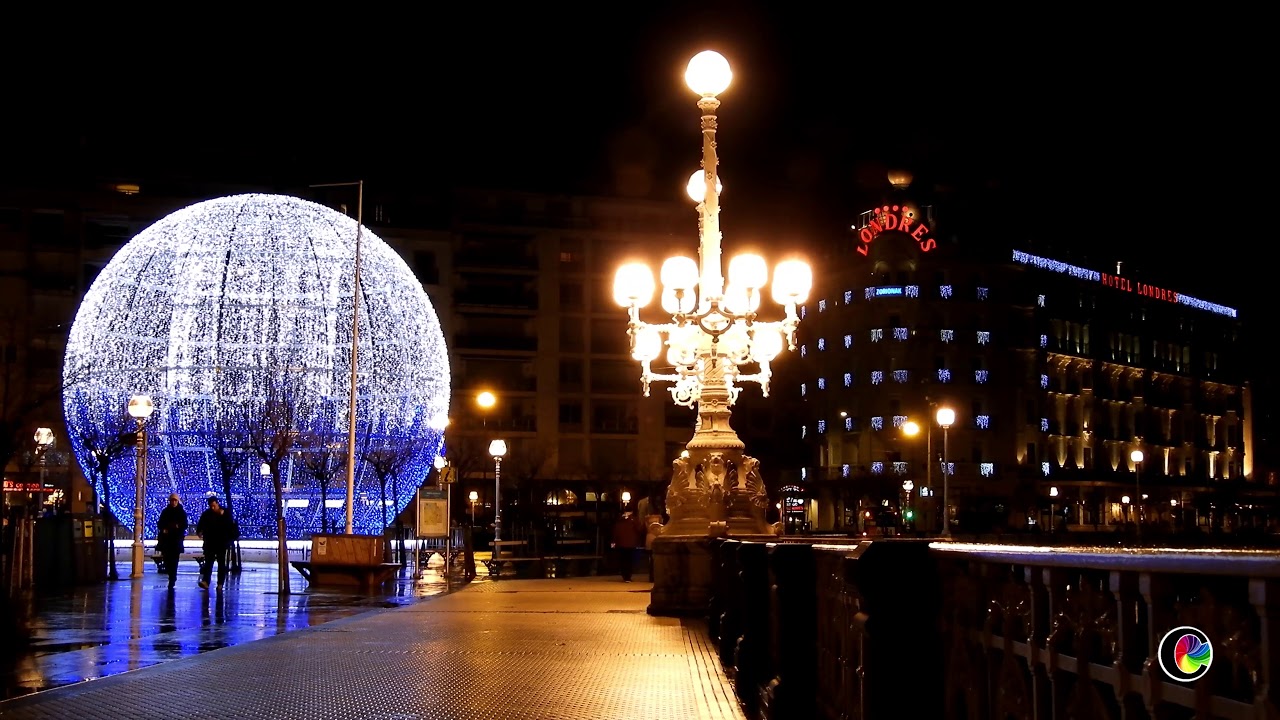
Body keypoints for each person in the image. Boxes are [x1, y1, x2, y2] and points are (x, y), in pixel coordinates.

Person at [196, 497, 235, 591]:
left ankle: (220, 583)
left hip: (221, 542)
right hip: (210, 542)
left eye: (214, 506)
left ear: (217, 504)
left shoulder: (225, 513)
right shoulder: (206, 514)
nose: (213, 508)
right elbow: (200, 525)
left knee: (221, 563)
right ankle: (206, 581)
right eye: (211, 506)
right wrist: (200, 532)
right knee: (209, 563)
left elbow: (230, 526)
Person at [156, 493, 188, 589]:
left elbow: (184, 524)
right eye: (172, 500)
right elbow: (160, 523)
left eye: (175, 500)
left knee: (174, 560)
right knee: (167, 559)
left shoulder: (181, 512)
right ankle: (171, 576)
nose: (173, 502)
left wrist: (177, 527)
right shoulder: (165, 512)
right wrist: (164, 529)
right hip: (166, 540)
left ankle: (172, 578)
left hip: (176, 540)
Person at [610, 511, 642, 582]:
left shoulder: (620, 520)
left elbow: (615, 532)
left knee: (623, 559)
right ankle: (627, 576)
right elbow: (639, 529)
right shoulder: (633, 520)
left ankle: (625, 575)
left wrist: (613, 542)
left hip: (621, 543)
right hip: (630, 543)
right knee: (629, 560)